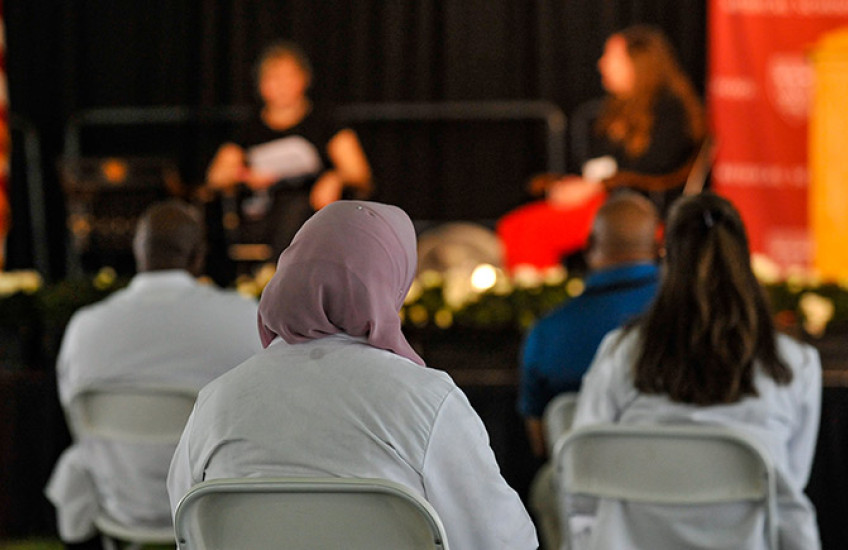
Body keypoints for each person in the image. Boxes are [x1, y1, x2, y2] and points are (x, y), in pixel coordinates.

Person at [167, 200, 539, 550]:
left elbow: (188, 524)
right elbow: (502, 540)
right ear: (391, 281)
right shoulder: (427, 401)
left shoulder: (217, 400)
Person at [569, 192, 821, 550]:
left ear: (665, 259)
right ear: (745, 258)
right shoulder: (796, 363)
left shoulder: (621, 352)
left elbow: (584, 468)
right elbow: (790, 480)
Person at [45, 200, 262, 550]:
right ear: (198, 256)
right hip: (213, 503)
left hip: (118, 499)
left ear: (138, 251)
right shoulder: (243, 319)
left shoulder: (86, 327)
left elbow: (72, 411)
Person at [497, 25, 705, 271]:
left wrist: (595, 186)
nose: (601, 64)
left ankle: (544, 300)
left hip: (637, 209)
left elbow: (655, 167)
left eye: (611, 57)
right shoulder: (618, 109)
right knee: (512, 226)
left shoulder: (672, 109)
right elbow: (599, 163)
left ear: (638, 63)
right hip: (603, 199)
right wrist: (572, 186)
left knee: (535, 232)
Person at [518, 192, 660, 550]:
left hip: (590, 514)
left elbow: (541, 440)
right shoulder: (696, 323)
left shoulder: (548, 332)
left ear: (592, 245)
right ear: (658, 244)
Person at [204, 40, 372, 263]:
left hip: (311, 217)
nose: (282, 86)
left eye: (288, 77)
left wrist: (334, 177)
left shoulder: (324, 122)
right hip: (261, 215)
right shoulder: (249, 129)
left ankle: (282, 276)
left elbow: (360, 173)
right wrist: (245, 175)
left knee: (296, 208)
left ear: (304, 79)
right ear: (262, 85)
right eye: (274, 78)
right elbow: (215, 177)